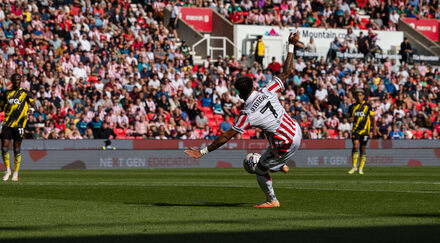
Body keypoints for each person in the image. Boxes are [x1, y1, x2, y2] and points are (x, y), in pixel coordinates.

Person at [185, 32, 302, 208]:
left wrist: (203, 152)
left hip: (285, 142)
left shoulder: (247, 113)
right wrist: (291, 46)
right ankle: (279, 165)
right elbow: (286, 72)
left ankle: (272, 200)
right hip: (296, 130)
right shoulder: (267, 89)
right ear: (254, 85)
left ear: (239, 94)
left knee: (260, 169)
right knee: (269, 142)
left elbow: (226, 136)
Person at [0, 74, 37, 181]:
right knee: (4, 148)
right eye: (14, 79)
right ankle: (8, 170)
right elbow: (1, 106)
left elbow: (34, 105)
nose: (16, 81)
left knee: (16, 149)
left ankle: (16, 173)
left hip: (20, 124)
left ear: (20, 81)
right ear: (11, 80)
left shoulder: (25, 93)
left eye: (18, 80)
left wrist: (32, 110)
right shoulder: (6, 93)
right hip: (7, 124)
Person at [347, 89, 376, 175]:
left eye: (360, 95)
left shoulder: (368, 106)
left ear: (363, 96)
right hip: (355, 130)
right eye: (357, 96)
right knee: (355, 145)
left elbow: (373, 118)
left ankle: (361, 168)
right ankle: (354, 167)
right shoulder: (351, 107)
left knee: (362, 148)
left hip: (365, 131)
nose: (359, 97)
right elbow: (348, 117)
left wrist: (374, 129)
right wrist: (349, 119)